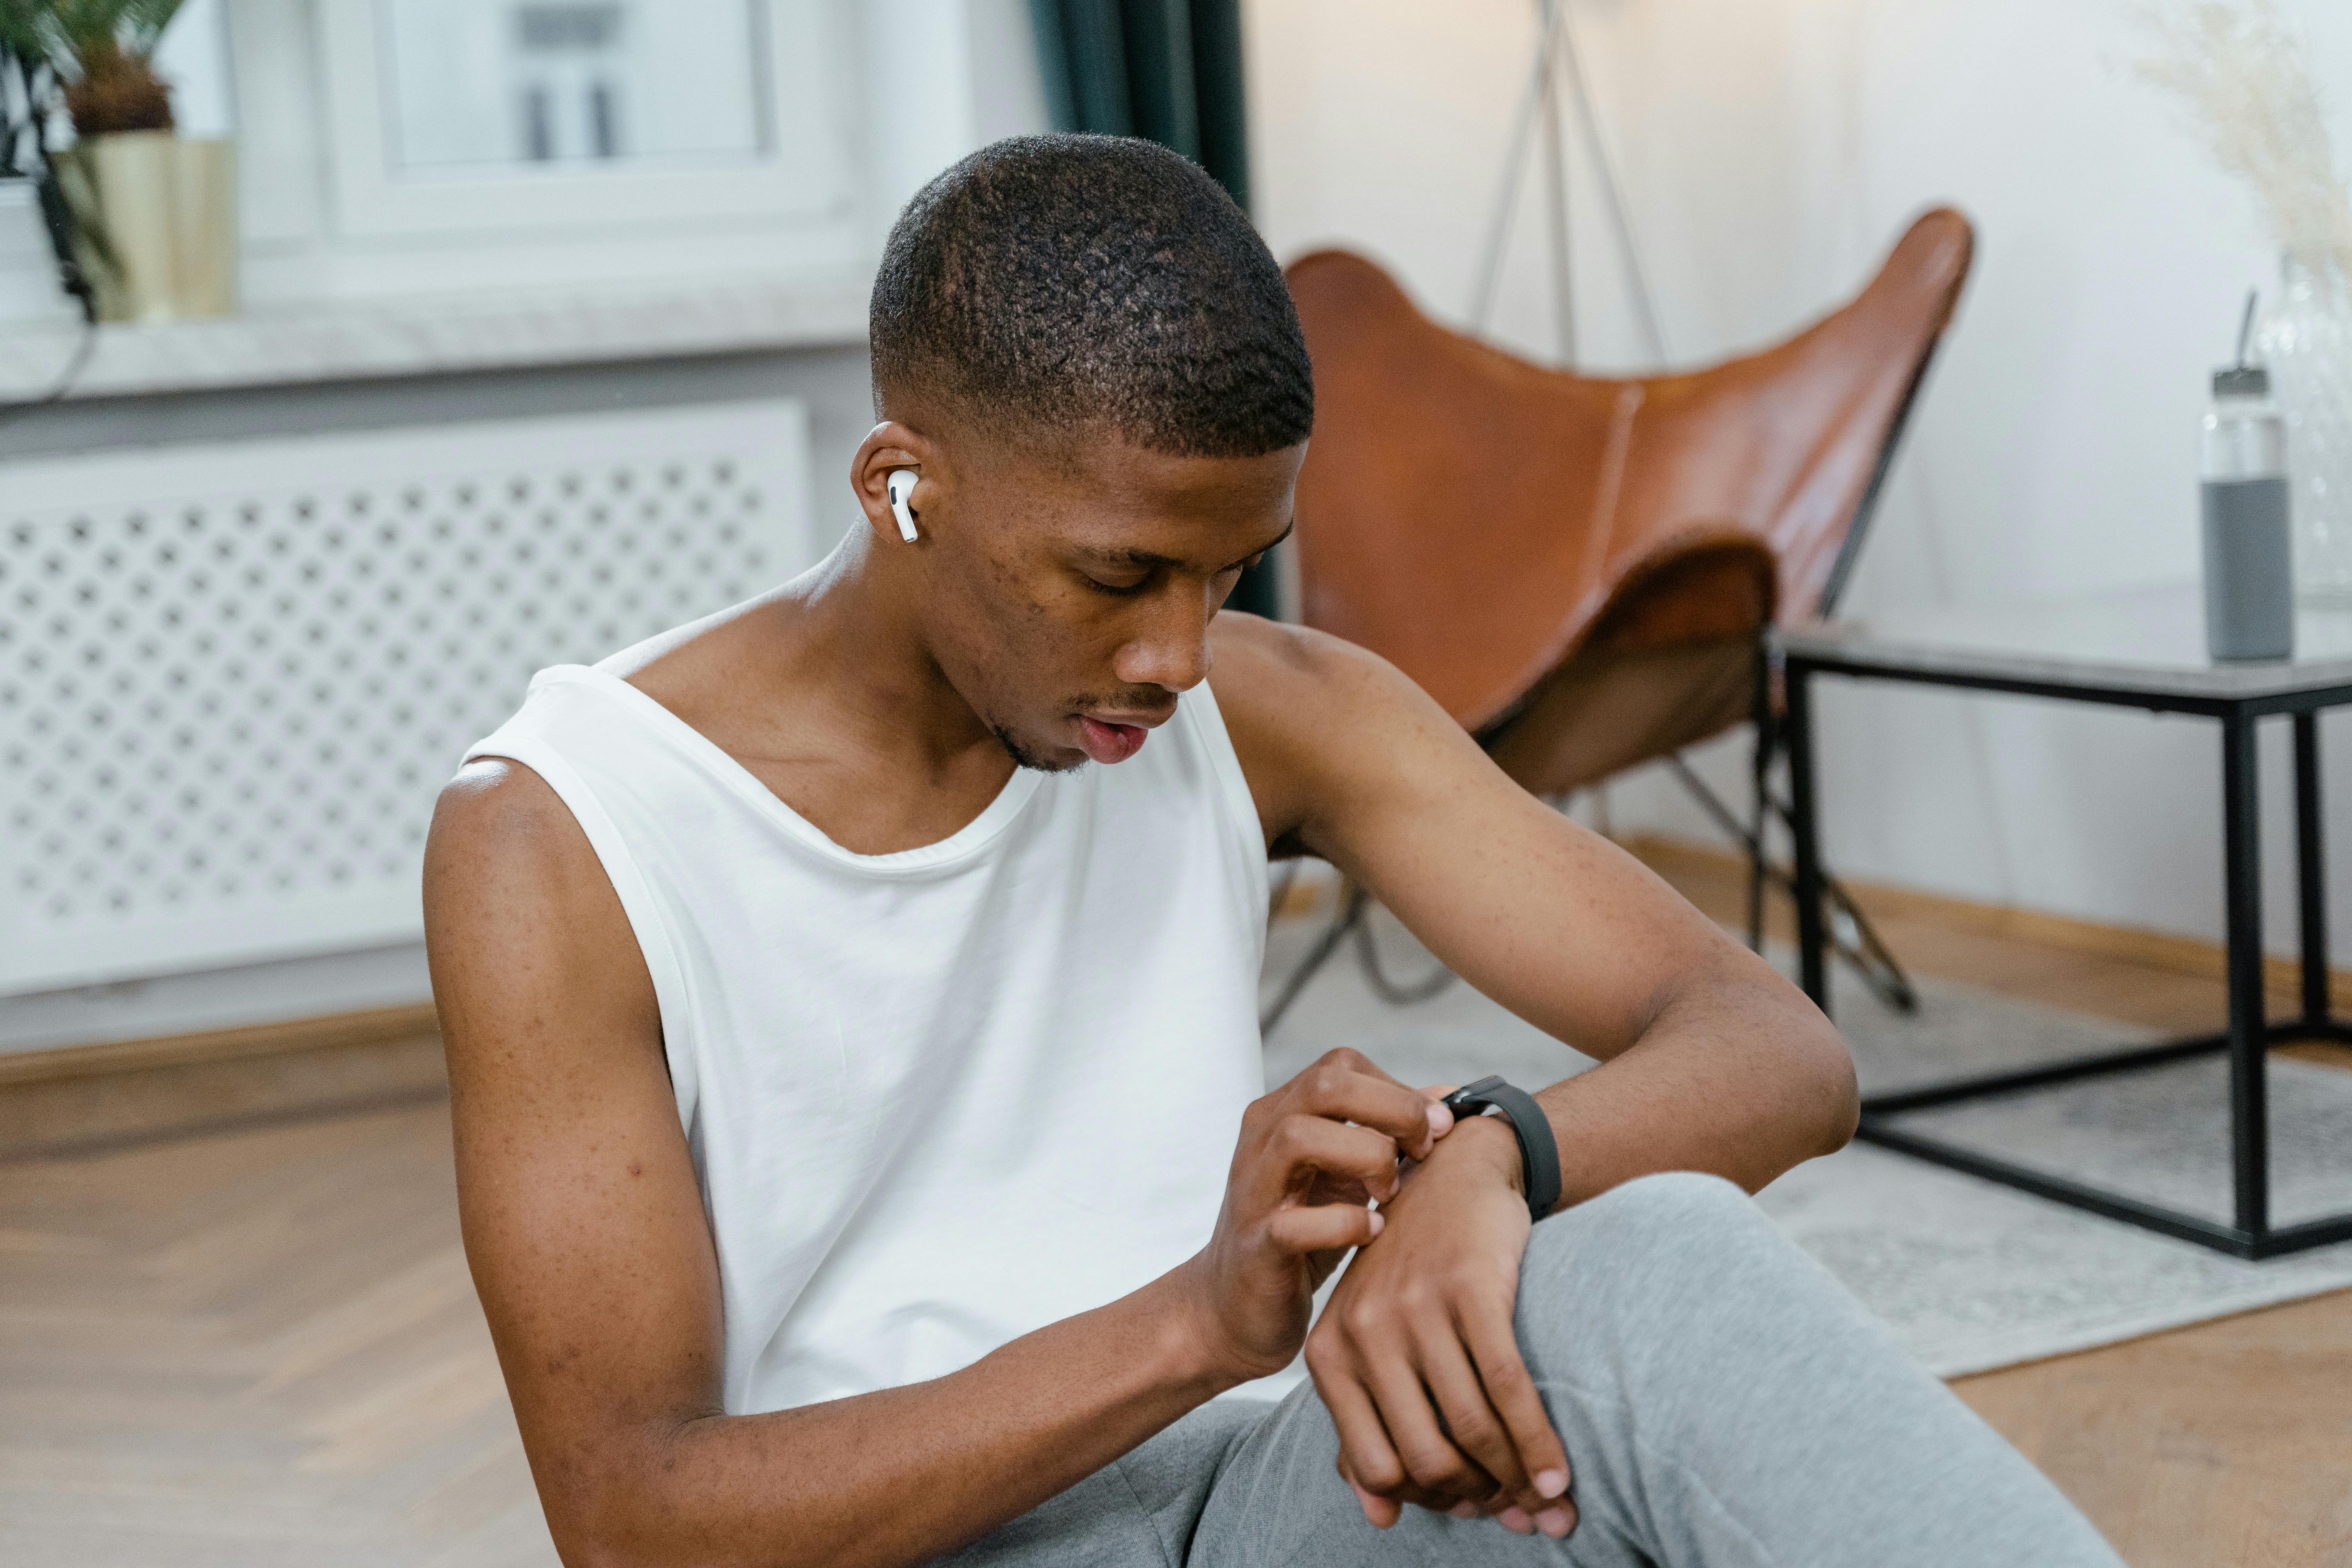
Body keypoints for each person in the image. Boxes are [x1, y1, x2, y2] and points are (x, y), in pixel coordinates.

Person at [423, 134, 2123, 1568]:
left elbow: (1777, 1049)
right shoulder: (564, 836)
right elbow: (634, 1521)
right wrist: (1201, 1319)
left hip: (1252, 1507)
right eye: (1119, 575)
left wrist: (1491, 1162)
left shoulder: (1273, 709)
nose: (1178, 653)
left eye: (1230, 569)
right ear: (903, 487)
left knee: (1648, 1277)